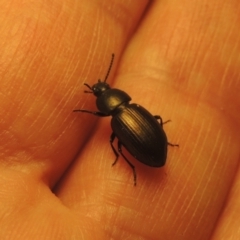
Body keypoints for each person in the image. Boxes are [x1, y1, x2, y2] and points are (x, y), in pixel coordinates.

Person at [0, 1, 239, 239]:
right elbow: (150, 122)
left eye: (100, 91)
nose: (99, 89)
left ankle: (136, 163)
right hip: (152, 143)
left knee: (118, 144)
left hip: (151, 146)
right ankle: (143, 159)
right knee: (135, 131)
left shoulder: (115, 121)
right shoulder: (129, 110)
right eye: (98, 91)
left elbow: (124, 136)